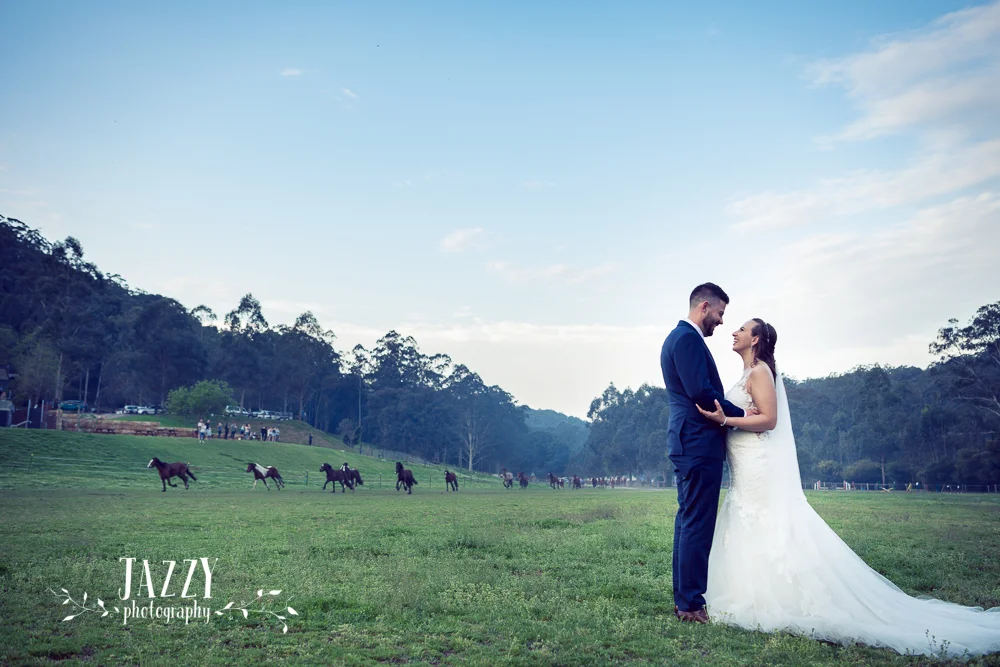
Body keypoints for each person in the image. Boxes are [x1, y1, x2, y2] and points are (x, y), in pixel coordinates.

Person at [695, 318, 1000, 656]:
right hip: (744, 464)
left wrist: (726, 420)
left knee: (766, 521)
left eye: (742, 329)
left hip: (758, 465)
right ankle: (752, 590)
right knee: (749, 522)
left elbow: (769, 419)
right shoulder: (747, 373)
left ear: (755, 339)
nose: (734, 331)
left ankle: (778, 597)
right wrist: (737, 415)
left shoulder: (761, 372)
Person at [660, 283, 751, 624]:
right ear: (704, 307)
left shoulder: (682, 338)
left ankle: (685, 600)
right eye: (720, 313)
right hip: (697, 443)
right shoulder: (686, 339)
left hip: (691, 443)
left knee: (688, 521)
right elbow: (701, 392)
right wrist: (744, 415)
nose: (722, 321)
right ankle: (691, 604)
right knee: (696, 524)